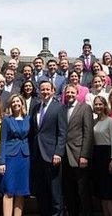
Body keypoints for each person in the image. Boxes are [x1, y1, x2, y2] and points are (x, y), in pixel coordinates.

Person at [29, 81, 67, 216]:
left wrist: (58, 153)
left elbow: (62, 133)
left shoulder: (59, 108)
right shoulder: (35, 108)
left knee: (55, 191)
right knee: (41, 191)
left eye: (47, 89)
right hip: (37, 155)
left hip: (52, 155)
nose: (44, 92)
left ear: (52, 91)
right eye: (42, 89)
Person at [62, 84, 94, 216]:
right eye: (67, 92)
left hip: (79, 155)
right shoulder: (62, 109)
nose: (69, 94)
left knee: (83, 191)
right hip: (64, 156)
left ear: (77, 94)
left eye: (72, 92)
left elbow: (88, 133)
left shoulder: (85, 108)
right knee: (69, 191)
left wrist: (84, 155)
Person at [0, 94, 31, 216]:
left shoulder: (28, 118)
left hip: (24, 158)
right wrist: (1, 162)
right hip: (10, 158)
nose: (16, 104)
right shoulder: (7, 120)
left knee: (21, 191)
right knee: (9, 190)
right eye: (13, 102)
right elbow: (2, 141)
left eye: (18, 101)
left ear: (22, 104)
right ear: (11, 105)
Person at [91, 96, 112, 216]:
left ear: (105, 106)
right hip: (96, 157)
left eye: (100, 104)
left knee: (109, 193)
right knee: (101, 192)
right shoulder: (93, 122)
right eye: (96, 104)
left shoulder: (110, 121)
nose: (98, 107)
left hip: (107, 156)